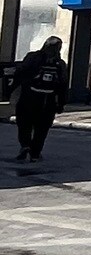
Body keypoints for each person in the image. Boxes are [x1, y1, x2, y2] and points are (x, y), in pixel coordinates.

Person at [13, 36, 67, 164]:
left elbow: (20, 73)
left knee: (24, 123)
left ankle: (25, 145)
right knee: (42, 128)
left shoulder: (32, 57)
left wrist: (11, 90)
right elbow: (63, 84)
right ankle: (35, 154)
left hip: (29, 97)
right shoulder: (60, 64)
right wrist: (61, 103)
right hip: (48, 100)